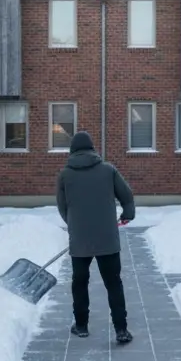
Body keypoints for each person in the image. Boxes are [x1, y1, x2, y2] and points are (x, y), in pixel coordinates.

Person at [56, 131, 136, 344]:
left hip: (79, 241)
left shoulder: (65, 175)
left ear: (72, 151)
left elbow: (62, 207)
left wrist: (74, 225)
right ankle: (121, 329)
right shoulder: (108, 170)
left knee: (80, 282)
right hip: (107, 238)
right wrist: (128, 213)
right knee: (113, 283)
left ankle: (81, 326)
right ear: (92, 149)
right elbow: (126, 195)